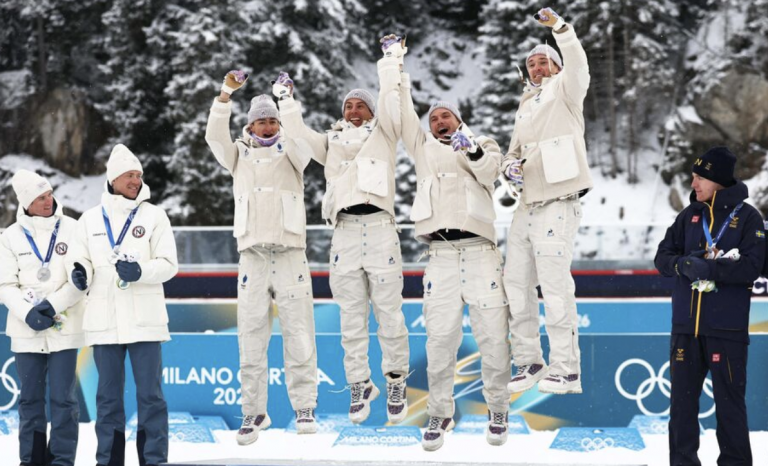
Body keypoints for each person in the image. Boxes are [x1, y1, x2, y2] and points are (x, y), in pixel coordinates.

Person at [276, 37, 410, 424]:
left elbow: (391, 101)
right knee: (351, 316)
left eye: (360, 105)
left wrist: (390, 62)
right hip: (345, 231)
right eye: (348, 105)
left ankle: (396, 379)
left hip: (381, 227)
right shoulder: (330, 142)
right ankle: (358, 384)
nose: (353, 111)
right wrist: (286, 100)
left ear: (370, 111)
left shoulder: (384, 134)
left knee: (390, 313)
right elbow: (298, 134)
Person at [395, 34, 511, 451]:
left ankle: (498, 409)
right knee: (439, 339)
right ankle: (440, 414)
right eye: (435, 119)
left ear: (459, 120)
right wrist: (395, 64)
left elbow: (492, 172)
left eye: (446, 116)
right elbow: (403, 112)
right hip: (440, 255)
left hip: (480, 253)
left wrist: (473, 151)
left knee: (493, 337)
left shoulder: (484, 143)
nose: (440, 122)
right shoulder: (422, 149)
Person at [205, 71, 318, 444]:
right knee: (251, 338)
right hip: (252, 257)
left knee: (299, 334)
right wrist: (225, 95)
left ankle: (304, 407)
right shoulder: (238, 155)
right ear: (250, 124)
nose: (268, 126)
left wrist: (286, 100)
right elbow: (214, 137)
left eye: (272, 120)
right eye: (261, 120)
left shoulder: (294, 150)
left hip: (290, 255)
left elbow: (304, 140)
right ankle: (254, 412)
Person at [67, 144, 178, 466]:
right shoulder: (89, 220)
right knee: (107, 399)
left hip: (145, 321)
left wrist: (141, 271)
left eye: (139, 175)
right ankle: (109, 461)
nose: (136, 180)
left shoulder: (155, 215)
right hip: (105, 321)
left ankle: (153, 460)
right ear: (113, 179)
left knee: (151, 397)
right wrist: (79, 272)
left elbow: (170, 264)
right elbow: (80, 259)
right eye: (130, 175)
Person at [501, 7, 593, 395]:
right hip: (527, 205)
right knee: (515, 285)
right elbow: (512, 152)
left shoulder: (568, 91)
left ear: (556, 67)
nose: (537, 68)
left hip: (560, 200)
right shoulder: (525, 106)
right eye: (532, 64)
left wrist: (560, 30)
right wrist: (509, 169)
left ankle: (566, 369)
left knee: (554, 288)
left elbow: (577, 62)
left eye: (544, 62)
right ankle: (530, 361)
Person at [655, 147, 763, 465]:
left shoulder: (748, 218)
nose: (693, 183)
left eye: (700, 177)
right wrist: (684, 265)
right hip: (686, 328)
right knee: (682, 408)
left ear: (717, 180)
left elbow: (752, 267)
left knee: (730, 406)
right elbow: (662, 257)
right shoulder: (689, 216)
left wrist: (710, 269)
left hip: (726, 330)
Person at [0, 170, 85, 466]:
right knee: (30, 400)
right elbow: (5, 285)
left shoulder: (74, 229)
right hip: (26, 331)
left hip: (64, 325)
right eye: (39, 198)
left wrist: (51, 305)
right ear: (26, 202)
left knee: (64, 400)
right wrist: (27, 313)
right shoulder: (9, 237)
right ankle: (32, 460)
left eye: (49, 194)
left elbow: (80, 279)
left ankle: (62, 460)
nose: (48, 201)